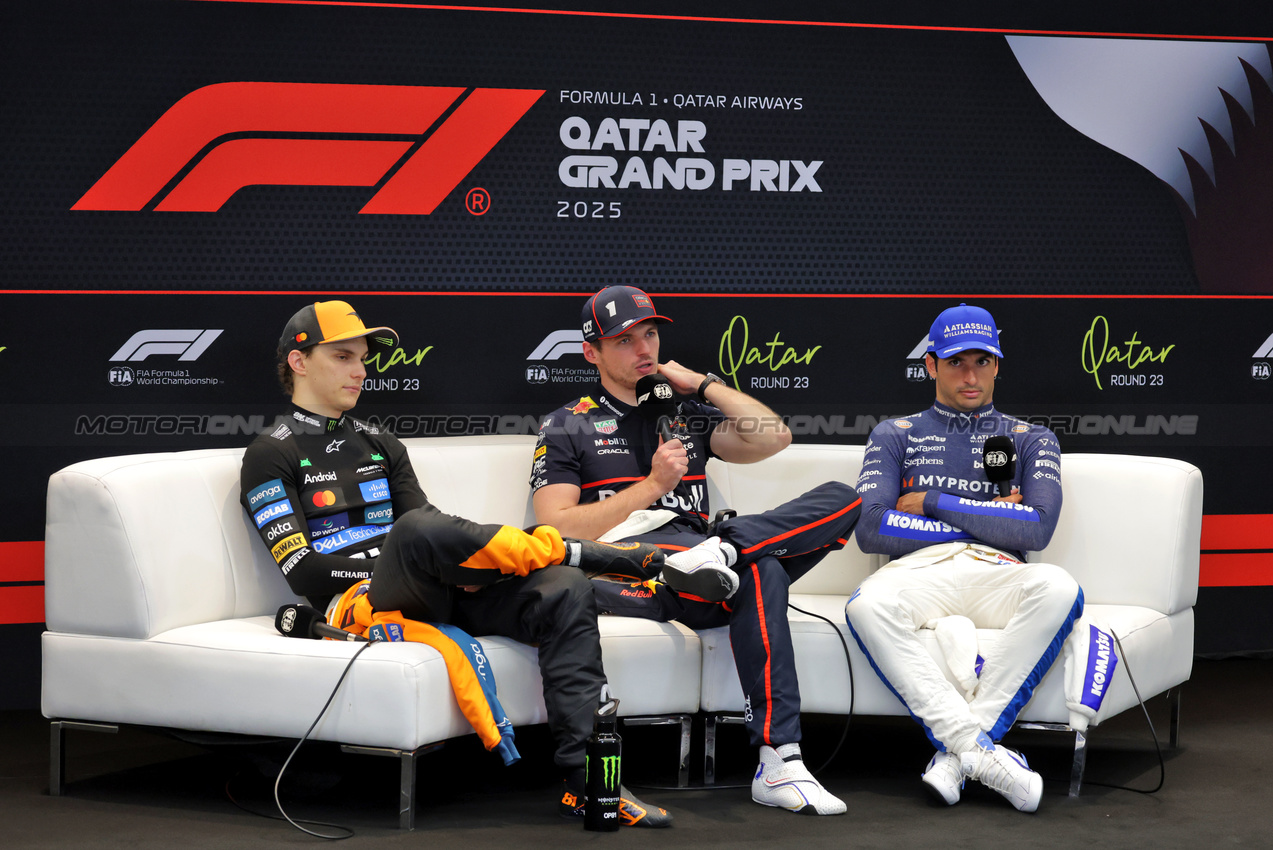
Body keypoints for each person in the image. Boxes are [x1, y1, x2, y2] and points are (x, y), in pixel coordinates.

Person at [240, 300, 673, 827]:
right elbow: (305, 573)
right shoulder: (269, 452)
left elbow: (432, 531)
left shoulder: (380, 442)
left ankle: (586, 781)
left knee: (562, 589)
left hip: (436, 585)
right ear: (299, 362)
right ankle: (598, 554)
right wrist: (410, 561)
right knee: (416, 530)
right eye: (344, 357)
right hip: (362, 602)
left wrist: (451, 563)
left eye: (363, 359)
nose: (361, 370)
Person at [531, 285, 862, 816]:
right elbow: (556, 528)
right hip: (632, 569)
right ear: (591, 352)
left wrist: (704, 385)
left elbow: (774, 437)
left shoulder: (686, 414)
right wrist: (651, 486)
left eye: (651, 334)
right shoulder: (568, 422)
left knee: (844, 500)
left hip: (702, 564)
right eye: (625, 340)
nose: (644, 349)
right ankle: (781, 758)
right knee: (766, 570)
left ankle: (726, 555)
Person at [845, 303, 1083, 813]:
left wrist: (933, 502)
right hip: (920, 571)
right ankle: (978, 751)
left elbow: (1037, 527)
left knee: (1060, 588)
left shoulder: (1032, 437)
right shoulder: (895, 433)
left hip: (996, 571)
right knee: (866, 605)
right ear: (930, 365)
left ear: (998, 364)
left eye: (983, 361)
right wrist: (989, 516)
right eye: (956, 362)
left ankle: (958, 754)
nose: (970, 375)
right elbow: (871, 528)